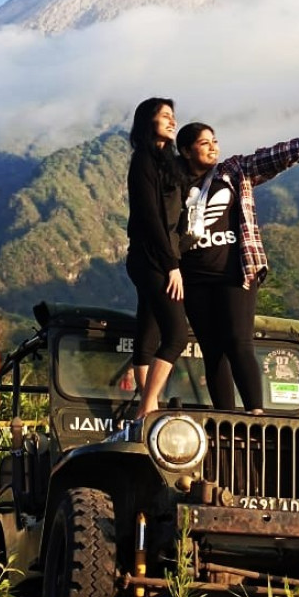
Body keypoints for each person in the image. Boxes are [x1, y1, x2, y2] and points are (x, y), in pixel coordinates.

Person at [175, 123, 299, 413]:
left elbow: (272, 157)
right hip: (193, 277)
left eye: (215, 141)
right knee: (213, 351)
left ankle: (255, 412)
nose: (213, 147)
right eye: (204, 143)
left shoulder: (232, 172)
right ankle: (225, 417)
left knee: (238, 341)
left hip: (235, 274)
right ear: (185, 150)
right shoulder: (173, 183)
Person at [126, 98, 189, 418]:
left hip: (157, 257)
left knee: (148, 329)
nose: (171, 120)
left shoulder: (169, 162)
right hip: (152, 258)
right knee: (177, 334)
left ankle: (146, 402)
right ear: (147, 121)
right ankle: (149, 405)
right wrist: (171, 265)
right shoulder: (143, 162)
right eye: (164, 115)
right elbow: (151, 217)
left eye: (173, 116)